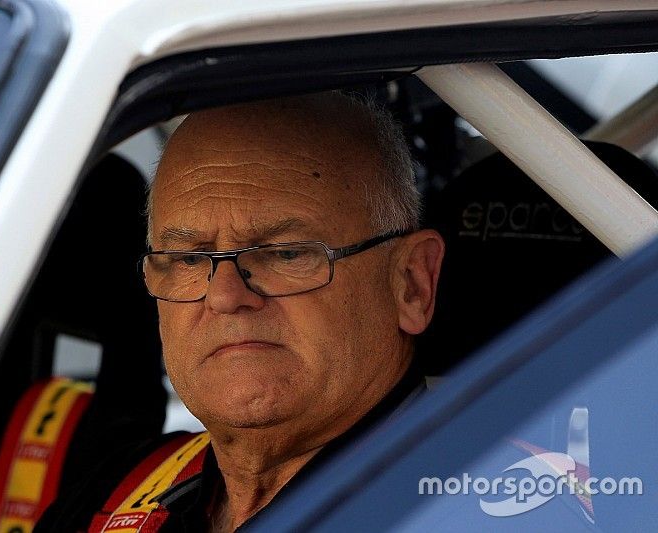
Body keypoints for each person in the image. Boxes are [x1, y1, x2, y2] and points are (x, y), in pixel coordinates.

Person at [35, 91, 444, 532]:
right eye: (189, 258)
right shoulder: (113, 495)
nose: (225, 297)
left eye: (285, 253)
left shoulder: (485, 504)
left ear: (411, 284)